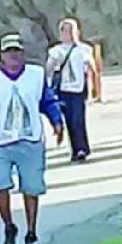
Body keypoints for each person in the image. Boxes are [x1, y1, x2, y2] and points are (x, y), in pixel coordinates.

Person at [0, 33, 64, 244]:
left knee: (31, 187)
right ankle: (9, 225)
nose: (13, 56)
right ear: (1, 55)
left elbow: (47, 100)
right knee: (0, 184)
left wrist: (57, 121)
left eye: (17, 51)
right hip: (0, 141)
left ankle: (31, 232)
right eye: (9, 52)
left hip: (30, 139)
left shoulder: (35, 75)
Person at [47, 18, 99, 163]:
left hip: (78, 89)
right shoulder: (56, 50)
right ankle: (75, 149)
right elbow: (49, 69)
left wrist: (95, 86)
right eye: (65, 30)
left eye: (71, 30)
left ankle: (82, 148)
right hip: (62, 89)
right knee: (69, 120)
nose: (68, 33)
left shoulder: (84, 49)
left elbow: (92, 67)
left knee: (78, 119)